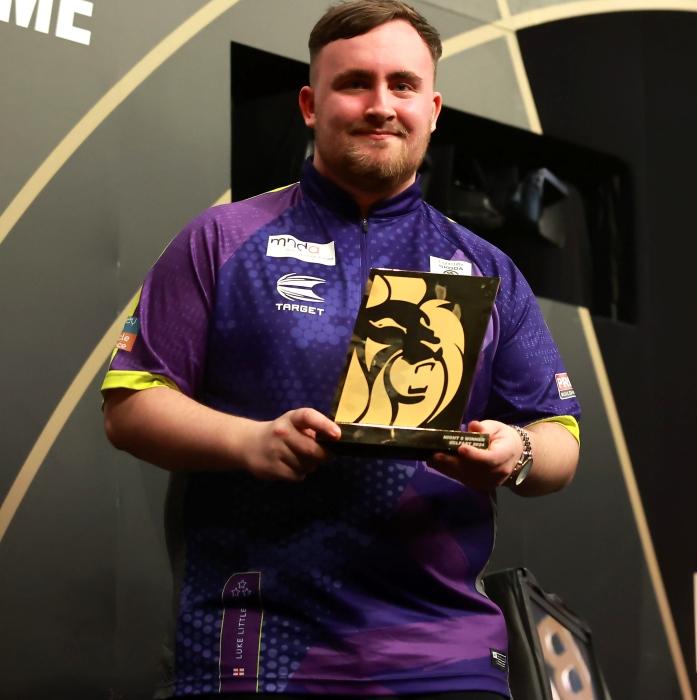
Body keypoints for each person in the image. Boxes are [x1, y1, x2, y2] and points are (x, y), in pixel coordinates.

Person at [101, 1, 581, 697]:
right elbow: (131, 402)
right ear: (310, 103)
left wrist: (519, 452)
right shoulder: (221, 239)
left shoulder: (488, 268)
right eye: (355, 83)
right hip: (256, 643)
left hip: (443, 653)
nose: (380, 105)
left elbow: (560, 436)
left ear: (433, 110)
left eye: (403, 85)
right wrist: (250, 442)